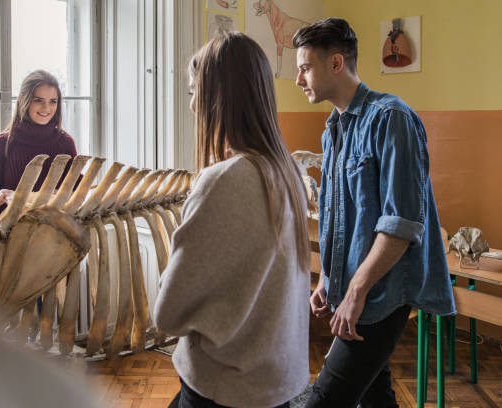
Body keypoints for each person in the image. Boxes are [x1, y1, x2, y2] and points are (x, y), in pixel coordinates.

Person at [292, 18, 456, 408]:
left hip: (381, 295)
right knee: (375, 399)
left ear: (335, 64)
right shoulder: (332, 128)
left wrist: (354, 291)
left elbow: (401, 224)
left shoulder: (391, 118)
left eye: (304, 68)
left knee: (324, 400)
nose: (298, 80)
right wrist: (328, 279)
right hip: (355, 291)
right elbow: (341, 215)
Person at [153, 32, 311, 408]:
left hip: (225, 390)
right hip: (275, 385)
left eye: (194, 93)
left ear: (216, 98)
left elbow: (168, 312)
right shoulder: (287, 171)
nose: (191, 106)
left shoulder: (223, 180)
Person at [0, 69, 77, 213]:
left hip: (54, 232)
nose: (47, 108)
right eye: (38, 100)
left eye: (53, 101)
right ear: (24, 101)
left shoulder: (65, 143)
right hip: (10, 232)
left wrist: (21, 197)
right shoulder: (2, 143)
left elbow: (75, 191)